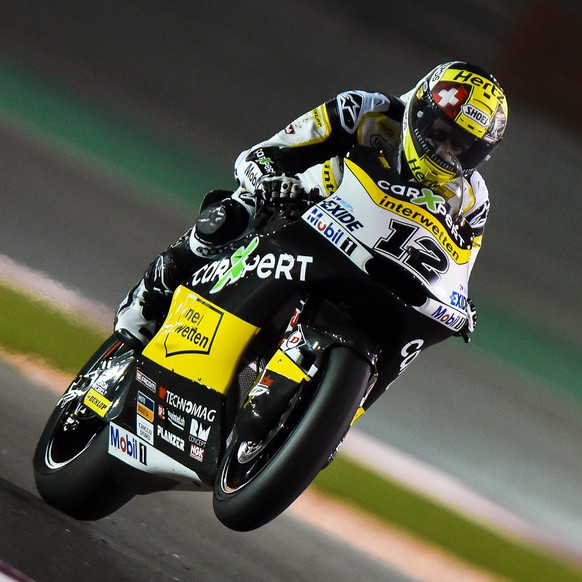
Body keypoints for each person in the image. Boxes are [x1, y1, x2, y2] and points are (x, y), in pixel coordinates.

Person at [114, 61, 508, 349]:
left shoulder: (473, 199)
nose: (446, 150)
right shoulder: (365, 112)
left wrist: (460, 303)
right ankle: (155, 290)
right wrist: (270, 181)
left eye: (462, 147)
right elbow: (264, 153)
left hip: (370, 261)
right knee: (237, 213)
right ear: (421, 109)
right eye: (442, 133)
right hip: (299, 211)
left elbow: (460, 267)